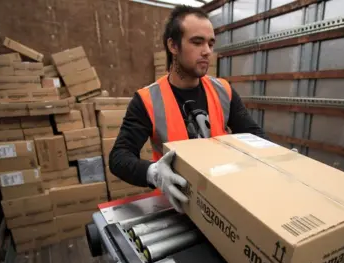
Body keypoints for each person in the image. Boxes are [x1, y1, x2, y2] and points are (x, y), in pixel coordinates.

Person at [109, 5, 266, 213]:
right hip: (176, 203)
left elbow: (254, 135)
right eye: (197, 42)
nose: (207, 51)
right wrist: (154, 173)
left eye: (210, 43)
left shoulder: (223, 91)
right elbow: (119, 157)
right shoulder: (147, 100)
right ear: (173, 46)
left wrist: (274, 157)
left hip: (221, 199)